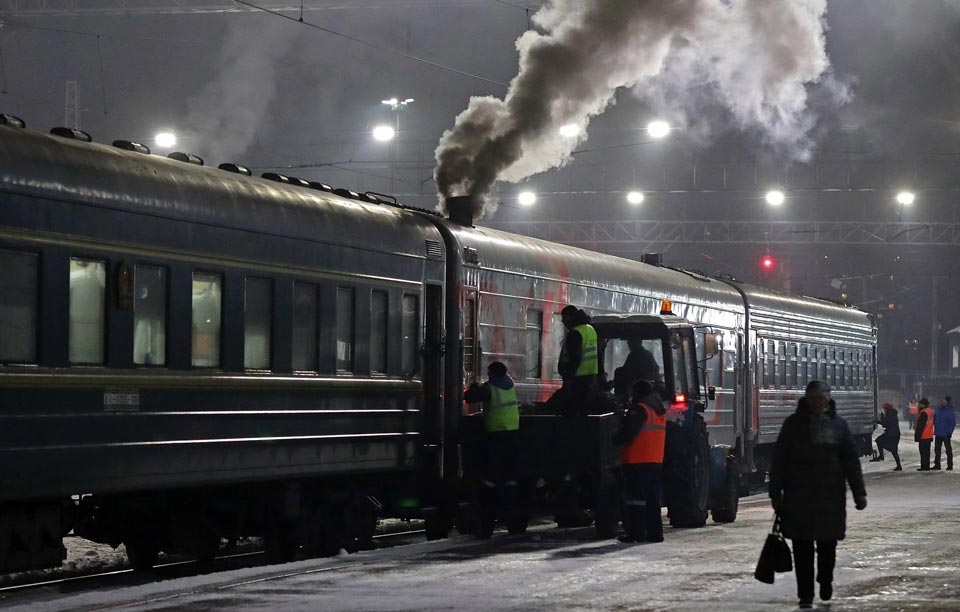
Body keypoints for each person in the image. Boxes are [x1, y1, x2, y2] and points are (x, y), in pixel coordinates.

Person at [769, 381, 867, 609]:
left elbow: (850, 462)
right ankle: (805, 594)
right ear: (806, 399)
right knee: (802, 549)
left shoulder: (839, 426)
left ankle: (825, 580)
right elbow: (779, 462)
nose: (816, 402)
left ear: (828, 399)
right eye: (813, 398)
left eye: (820, 398)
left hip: (829, 498)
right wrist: (776, 493)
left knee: (827, 546)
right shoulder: (793, 425)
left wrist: (859, 493)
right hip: (798, 497)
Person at [463, 361, 521, 536]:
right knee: (509, 479)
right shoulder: (510, 384)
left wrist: (473, 385)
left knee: (489, 481)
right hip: (512, 435)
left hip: (495, 438)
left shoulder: (490, 389)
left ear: (493, 375)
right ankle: (513, 519)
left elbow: (470, 397)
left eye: (489, 374)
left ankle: (487, 522)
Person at [612, 379, 666, 543]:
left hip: (637, 461)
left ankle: (636, 533)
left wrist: (615, 438)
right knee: (651, 500)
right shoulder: (658, 410)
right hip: (655, 461)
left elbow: (628, 433)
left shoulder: (640, 410)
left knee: (635, 500)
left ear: (638, 393)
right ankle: (655, 533)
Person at [556, 305, 599, 417]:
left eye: (564, 318)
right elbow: (599, 353)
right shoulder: (591, 329)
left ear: (569, 317)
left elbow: (575, 358)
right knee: (583, 413)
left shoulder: (575, 333)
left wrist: (569, 379)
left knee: (571, 413)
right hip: (590, 379)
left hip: (576, 380)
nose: (563, 321)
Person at [871, 403, 902, 471]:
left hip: (891, 434)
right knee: (893, 450)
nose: (884, 410)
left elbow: (884, 424)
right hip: (894, 434)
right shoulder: (892, 414)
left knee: (879, 441)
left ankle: (882, 456)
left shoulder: (890, 415)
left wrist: (879, 420)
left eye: (885, 409)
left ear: (887, 409)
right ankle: (899, 466)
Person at [933, 395, 955, 471]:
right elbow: (935, 419)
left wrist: (950, 432)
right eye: (942, 400)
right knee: (937, 449)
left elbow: (952, 423)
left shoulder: (949, 411)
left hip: (946, 433)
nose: (942, 401)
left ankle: (950, 465)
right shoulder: (939, 409)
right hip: (938, 432)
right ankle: (937, 464)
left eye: (944, 400)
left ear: (947, 402)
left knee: (948, 450)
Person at [915, 398, 934, 471]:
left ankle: (924, 467)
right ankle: (926, 466)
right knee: (927, 452)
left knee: (923, 452)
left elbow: (920, 426)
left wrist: (917, 437)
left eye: (920, 404)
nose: (919, 405)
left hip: (923, 435)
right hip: (929, 435)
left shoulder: (923, 412)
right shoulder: (930, 411)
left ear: (924, 404)